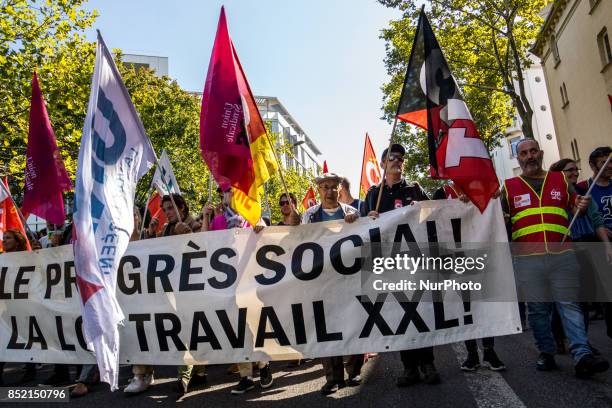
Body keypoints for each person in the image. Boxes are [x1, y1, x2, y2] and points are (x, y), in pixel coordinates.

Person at [502, 139, 608, 378]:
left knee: (569, 304)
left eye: (532, 152)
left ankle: (582, 355)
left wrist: (580, 206)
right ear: (518, 158)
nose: (529, 156)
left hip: (562, 255)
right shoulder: (508, 187)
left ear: (540, 153)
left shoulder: (560, 180)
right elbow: (496, 218)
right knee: (538, 310)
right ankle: (546, 352)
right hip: (527, 260)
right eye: (523, 153)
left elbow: (576, 208)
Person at [364, 143, 441, 387]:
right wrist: (369, 218)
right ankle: (409, 368)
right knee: (401, 315)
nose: (398, 161)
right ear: (383, 164)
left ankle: (427, 363)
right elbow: (362, 229)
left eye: (400, 158)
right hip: (390, 265)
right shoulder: (373, 195)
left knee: (421, 313)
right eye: (393, 157)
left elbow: (436, 215)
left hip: (415, 262)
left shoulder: (414, 189)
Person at [433, 183, 506, 372]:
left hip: (480, 257)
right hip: (456, 260)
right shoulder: (442, 193)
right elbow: (432, 221)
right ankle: (472, 353)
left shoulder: (479, 188)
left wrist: (495, 198)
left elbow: (494, 214)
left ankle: (489, 351)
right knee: (465, 306)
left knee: (484, 303)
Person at [301, 172, 361, 395]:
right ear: (319, 191)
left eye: (332, 187)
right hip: (321, 281)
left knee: (352, 322)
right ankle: (333, 377)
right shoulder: (310, 216)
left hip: (348, 279)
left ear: (339, 189)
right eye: (324, 187)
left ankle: (354, 370)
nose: (328, 191)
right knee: (326, 329)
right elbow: (301, 243)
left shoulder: (352, 213)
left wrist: (356, 224)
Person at [148, 194, 206, 396]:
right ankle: (198, 371)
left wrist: (189, 233)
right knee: (186, 330)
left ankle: (184, 376)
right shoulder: (165, 229)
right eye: (164, 210)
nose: (167, 212)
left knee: (185, 330)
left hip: (192, 288)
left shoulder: (195, 224)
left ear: (182, 209)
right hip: (172, 288)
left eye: (170, 208)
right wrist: (151, 234)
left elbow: (206, 249)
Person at [577, 146, 612, 338]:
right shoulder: (584, 188)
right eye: (603, 162)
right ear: (592, 165)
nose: (609, 166)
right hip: (600, 246)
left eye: (611, 161)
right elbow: (583, 215)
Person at [124, 207, 156, 395]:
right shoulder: (117, 241)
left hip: (150, 295)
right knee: (134, 333)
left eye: (134, 214)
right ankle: (140, 374)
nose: (132, 218)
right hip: (129, 296)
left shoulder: (149, 237)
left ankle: (143, 374)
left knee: (146, 335)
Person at [0, 230, 37, 385]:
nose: (4, 241)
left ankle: (31, 370)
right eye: (3, 238)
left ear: (17, 241)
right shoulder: (2, 259)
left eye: (8, 238)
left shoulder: (27, 258)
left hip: (25, 305)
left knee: (26, 338)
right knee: (5, 337)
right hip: (8, 306)